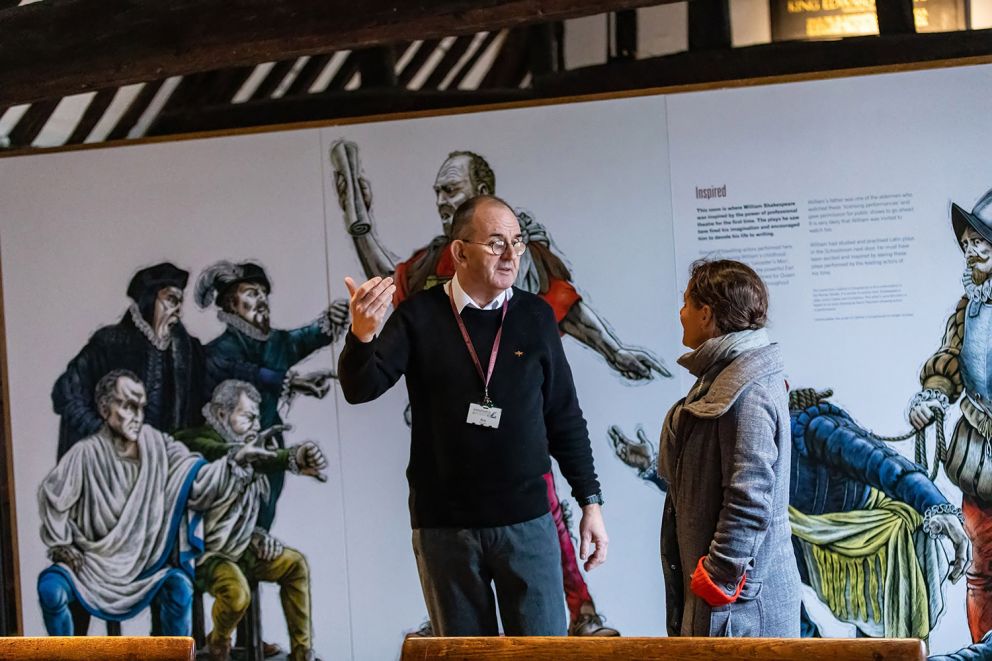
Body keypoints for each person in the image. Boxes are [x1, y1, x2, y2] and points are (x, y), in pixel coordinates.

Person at [331, 141, 642, 634]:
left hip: (528, 522)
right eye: (496, 242)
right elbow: (360, 388)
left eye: (516, 242)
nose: (511, 254)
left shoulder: (534, 317)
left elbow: (564, 416)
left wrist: (591, 503)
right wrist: (363, 334)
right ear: (459, 252)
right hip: (445, 528)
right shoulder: (419, 316)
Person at [37, 370, 269, 636]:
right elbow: (52, 496)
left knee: (180, 587)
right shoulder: (85, 454)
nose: (137, 415)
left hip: (145, 569)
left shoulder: (159, 447)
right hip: (92, 568)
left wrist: (235, 459)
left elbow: (198, 481)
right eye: (128, 406)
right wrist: (61, 543)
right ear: (103, 408)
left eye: (141, 407)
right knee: (50, 590)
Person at [659, 259, 799, 637]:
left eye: (687, 303)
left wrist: (719, 576)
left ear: (707, 314)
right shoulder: (730, 374)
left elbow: (750, 496)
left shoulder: (747, 388)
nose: (681, 313)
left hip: (742, 608)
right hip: (733, 602)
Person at [174, 380, 326, 661]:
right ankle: (219, 643)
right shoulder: (193, 442)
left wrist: (257, 535)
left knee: (294, 565)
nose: (256, 424)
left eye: (257, 417)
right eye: (248, 417)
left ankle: (302, 653)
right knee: (236, 594)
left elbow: (239, 509)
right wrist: (288, 458)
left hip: (241, 547)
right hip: (204, 556)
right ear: (221, 414)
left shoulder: (246, 446)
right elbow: (231, 457)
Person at [196, 260, 349, 530]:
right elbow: (247, 372)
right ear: (232, 304)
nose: (262, 299)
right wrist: (290, 382)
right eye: (252, 293)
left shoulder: (275, 342)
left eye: (263, 293)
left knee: (265, 514)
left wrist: (330, 320)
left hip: (270, 443)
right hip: (228, 451)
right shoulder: (220, 350)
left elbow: (301, 339)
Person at [908, 186, 992, 643]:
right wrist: (934, 396)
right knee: (980, 575)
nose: (971, 249)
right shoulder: (968, 308)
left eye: (981, 241)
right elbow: (950, 360)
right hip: (980, 462)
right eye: (969, 242)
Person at [52, 262, 207, 459]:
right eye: (171, 300)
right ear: (149, 300)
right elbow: (66, 393)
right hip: (117, 463)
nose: (178, 310)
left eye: (179, 302)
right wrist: (106, 437)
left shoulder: (190, 350)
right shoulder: (110, 342)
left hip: (167, 464)